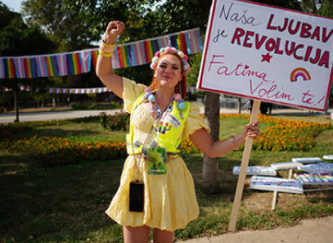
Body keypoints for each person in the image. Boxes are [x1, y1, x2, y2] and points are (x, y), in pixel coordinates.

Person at [96, 21, 259, 243]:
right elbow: (104, 73)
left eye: (175, 67)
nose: (168, 71)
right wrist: (109, 41)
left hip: (167, 177)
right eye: (163, 65)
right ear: (155, 69)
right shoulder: (136, 94)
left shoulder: (186, 111)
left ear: (182, 76)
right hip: (137, 175)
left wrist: (241, 136)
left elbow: (210, 149)